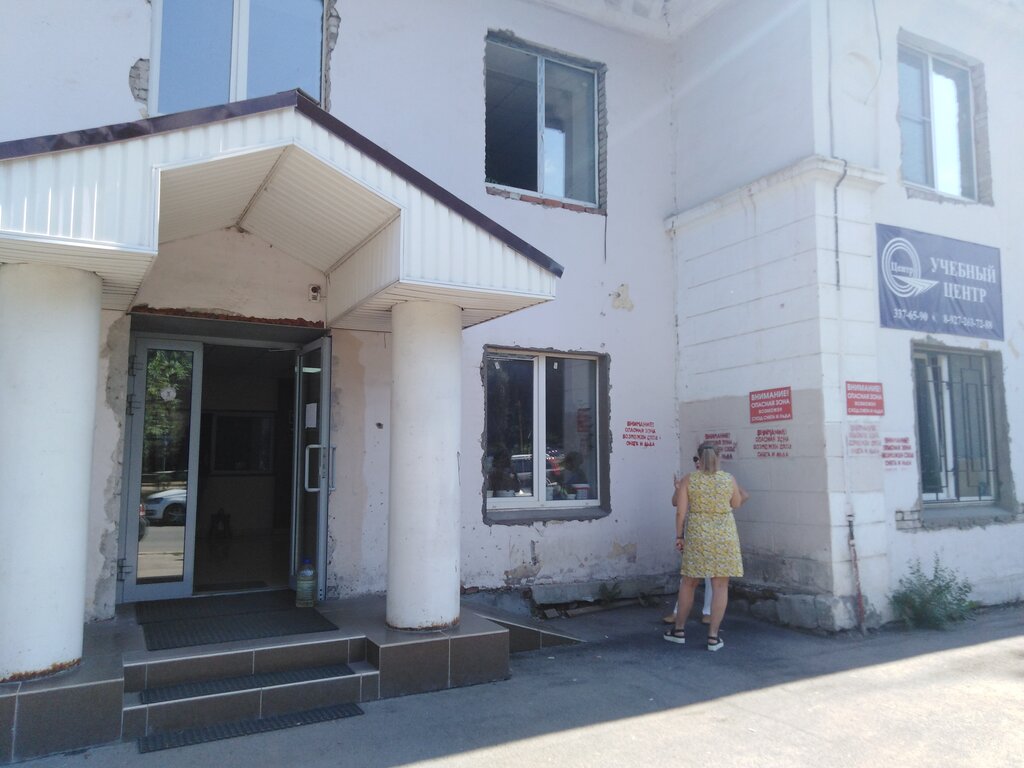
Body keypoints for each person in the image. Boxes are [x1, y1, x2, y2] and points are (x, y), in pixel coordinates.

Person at [663, 441, 748, 651]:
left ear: (699, 459)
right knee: (720, 586)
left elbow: (680, 511)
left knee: (689, 583)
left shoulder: (689, 480)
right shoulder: (728, 479)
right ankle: (713, 637)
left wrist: (679, 536)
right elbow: (736, 503)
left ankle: (679, 631)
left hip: (698, 534)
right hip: (725, 535)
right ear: (718, 458)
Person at [663, 453, 712, 625]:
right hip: (694, 531)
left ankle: (708, 612)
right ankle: (678, 612)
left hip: (712, 532)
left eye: (700, 459)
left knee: (711, 574)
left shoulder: (717, 480)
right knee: (688, 574)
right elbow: (675, 503)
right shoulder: (689, 479)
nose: (697, 462)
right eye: (695, 459)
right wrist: (678, 488)